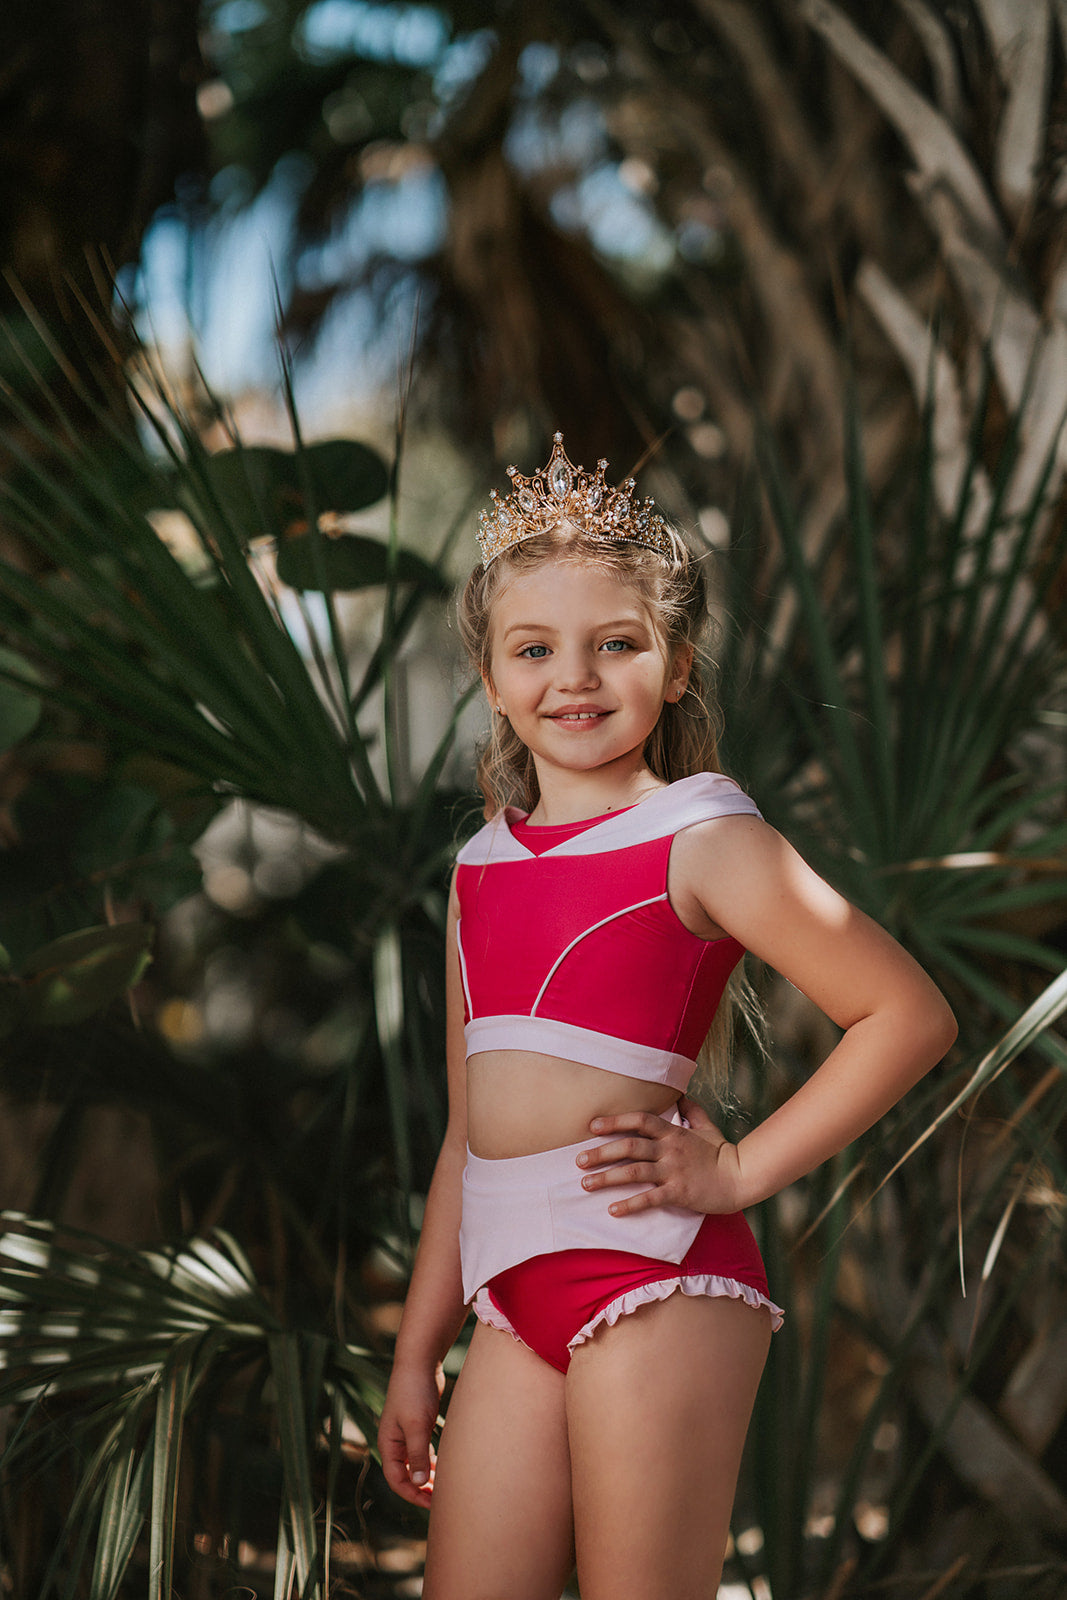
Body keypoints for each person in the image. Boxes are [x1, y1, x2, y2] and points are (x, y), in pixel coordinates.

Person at [376, 434, 957, 1600]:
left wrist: (735, 1173)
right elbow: (463, 1134)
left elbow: (905, 1013)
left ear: (676, 664)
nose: (573, 678)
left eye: (616, 645)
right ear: (489, 678)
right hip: (508, 1295)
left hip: (653, 1276)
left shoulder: (702, 836)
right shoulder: (477, 868)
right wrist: (414, 1348)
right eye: (533, 648)